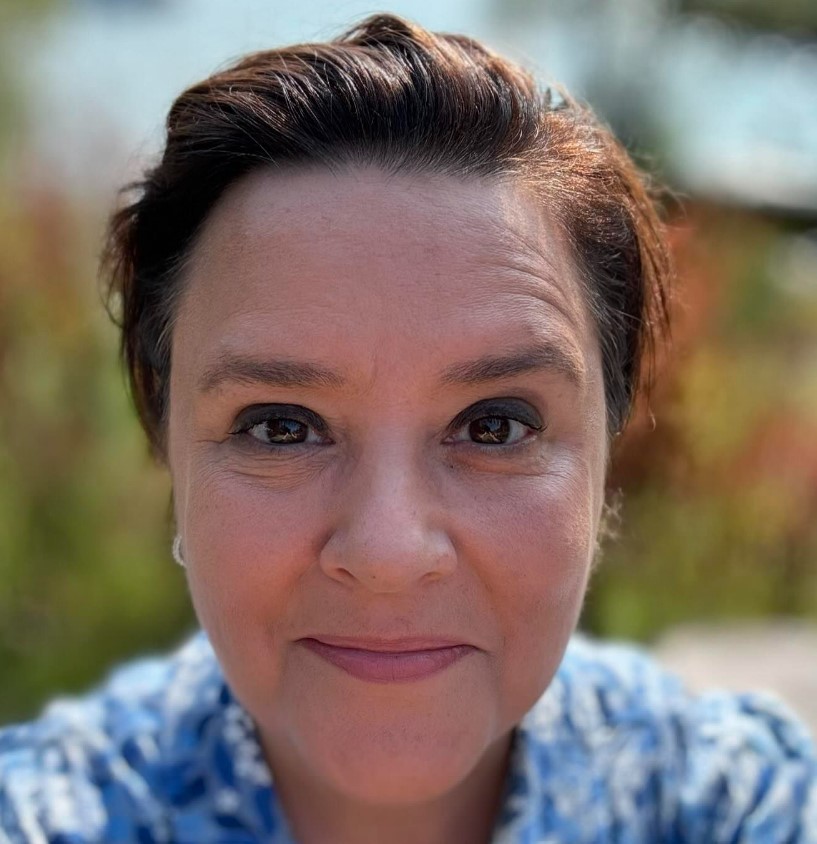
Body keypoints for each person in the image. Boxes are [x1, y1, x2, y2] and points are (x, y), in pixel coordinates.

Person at [0, 13, 815, 844]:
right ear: (166, 442)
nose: (388, 553)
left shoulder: (727, 804)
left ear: (607, 455)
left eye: (495, 426)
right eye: (280, 428)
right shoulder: (47, 815)